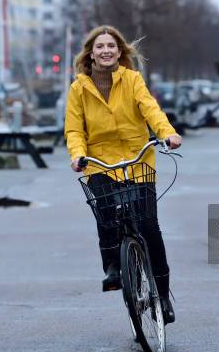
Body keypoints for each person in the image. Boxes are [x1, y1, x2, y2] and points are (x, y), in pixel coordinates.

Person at [64, 25, 182, 324]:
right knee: (105, 213)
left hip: (136, 157)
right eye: (100, 46)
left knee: (148, 226)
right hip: (98, 161)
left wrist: (167, 133)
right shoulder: (79, 88)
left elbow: (150, 109)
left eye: (111, 46)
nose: (106, 51)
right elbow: (75, 128)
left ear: (120, 51)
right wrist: (77, 154)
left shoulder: (132, 80)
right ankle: (113, 269)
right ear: (91, 52)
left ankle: (164, 297)